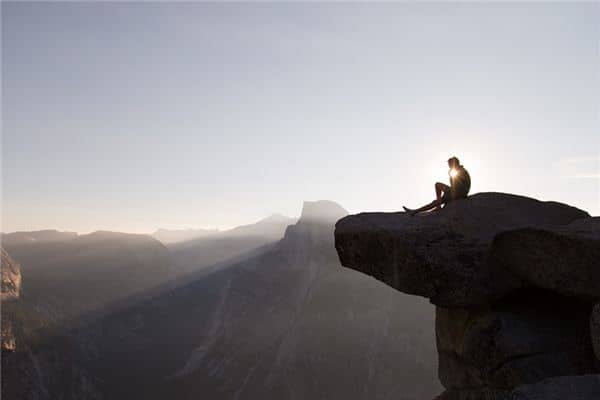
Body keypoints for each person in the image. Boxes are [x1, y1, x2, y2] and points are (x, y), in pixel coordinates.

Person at [403, 156, 471, 216]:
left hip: (459, 193)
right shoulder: (458, 170)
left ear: (454, 163)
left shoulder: (460, 171)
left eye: (450, 164)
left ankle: (414, 211)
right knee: (437, 185)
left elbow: (458, 185)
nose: (449, 166)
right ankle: (438, 205)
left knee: (435, 201)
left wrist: (446, 195)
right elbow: (454, 185)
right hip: (456, 190)